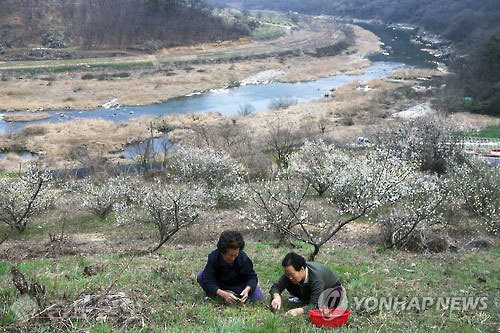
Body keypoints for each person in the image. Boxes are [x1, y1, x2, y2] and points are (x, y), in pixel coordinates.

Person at [197, 230, 263, 303]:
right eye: (230, 255)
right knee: (201, 276)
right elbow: (207, 279)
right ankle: (218, 294)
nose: (233, 258)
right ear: (222, 252)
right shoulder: (214, 257)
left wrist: (247, 289)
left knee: (257, 298)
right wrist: (223, 294)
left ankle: (236, 295)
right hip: (220, 283)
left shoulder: (243, 259)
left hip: (239, 284)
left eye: (236, 254)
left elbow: (252, 277)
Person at [270, 252, 342, 316]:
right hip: (308, 290)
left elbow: (315, 305)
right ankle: (305, 300)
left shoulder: (316, 278)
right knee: (291, 283)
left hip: (331, 292)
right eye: (287, 274)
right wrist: (276, 297)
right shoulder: (290, 274)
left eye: (292, 274)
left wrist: (299, 311)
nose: (290, 277)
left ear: (302, 269)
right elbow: (276, 287)